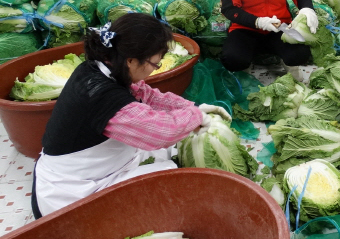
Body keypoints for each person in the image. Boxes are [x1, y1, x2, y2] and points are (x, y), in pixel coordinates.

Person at [31, 13, 228, 218]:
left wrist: (192, 107)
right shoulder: (104, 97)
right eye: (155, 64)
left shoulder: (103, 67)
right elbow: (162, 132)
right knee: (171, 184)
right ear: (132, 60)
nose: (154, 70)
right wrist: (196, 116)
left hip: (101, 167)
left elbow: (148, 96)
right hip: (73, 190)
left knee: (170, 156)